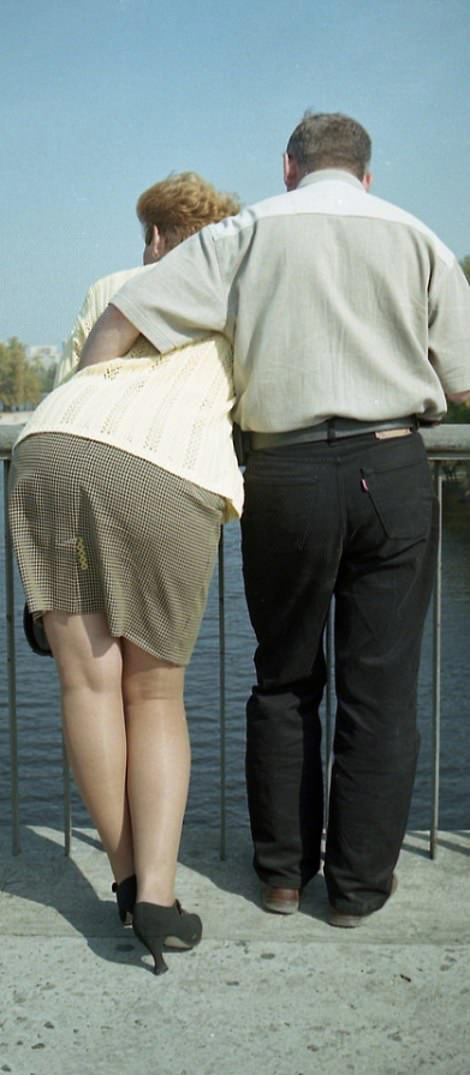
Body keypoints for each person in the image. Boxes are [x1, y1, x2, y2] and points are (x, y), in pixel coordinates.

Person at [73, 112, 470, 929]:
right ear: (367, 174)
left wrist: (95, 401)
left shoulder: (247, 233)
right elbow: (462, 384)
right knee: (382, 687)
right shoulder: (418, 238)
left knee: (284, 678)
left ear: (288, 168)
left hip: (284, 472)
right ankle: (358, 888)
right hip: (393, 467)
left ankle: (283, 876)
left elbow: (125, 315)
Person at [8, 172, 243, 974]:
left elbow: (84, 372)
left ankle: (124, 876)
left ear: (157, 237)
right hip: (163, 471)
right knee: (154, 692)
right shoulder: (242, 297)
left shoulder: (113, 285)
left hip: (48, 451)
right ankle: (158, 898)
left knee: (88, 686)